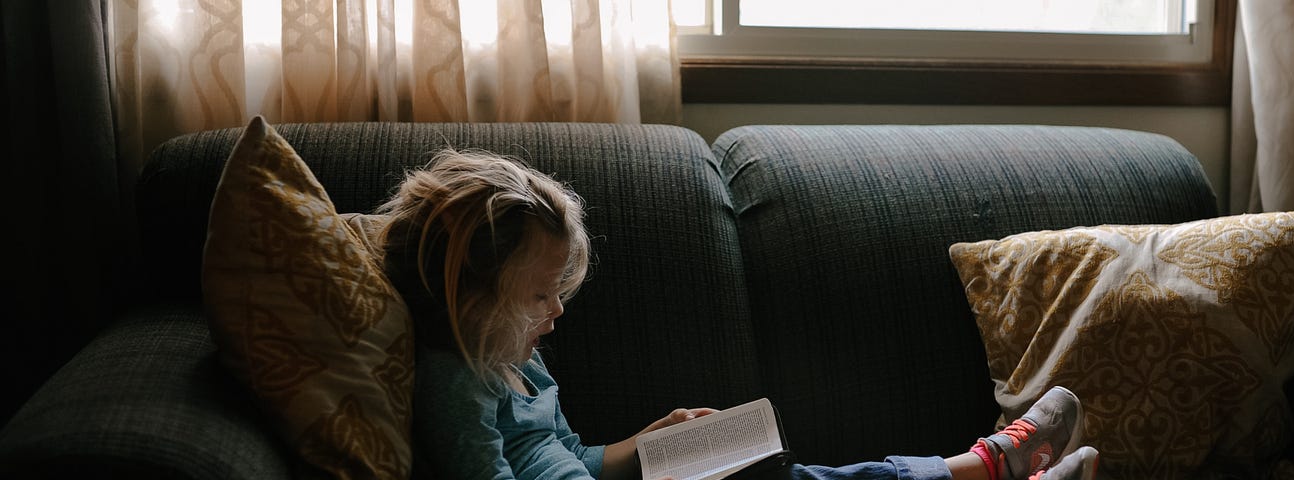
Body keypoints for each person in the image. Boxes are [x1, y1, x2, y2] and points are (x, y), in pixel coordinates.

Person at [382, 150, 1101, 480]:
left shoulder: (516, 358)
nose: (557, 310)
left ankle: (990, 464)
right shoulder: (455, 385)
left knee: (795, 478)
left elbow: (570, 459)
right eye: (538, 296)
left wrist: (647, 442)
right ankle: (991, 466)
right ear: (469, 296)